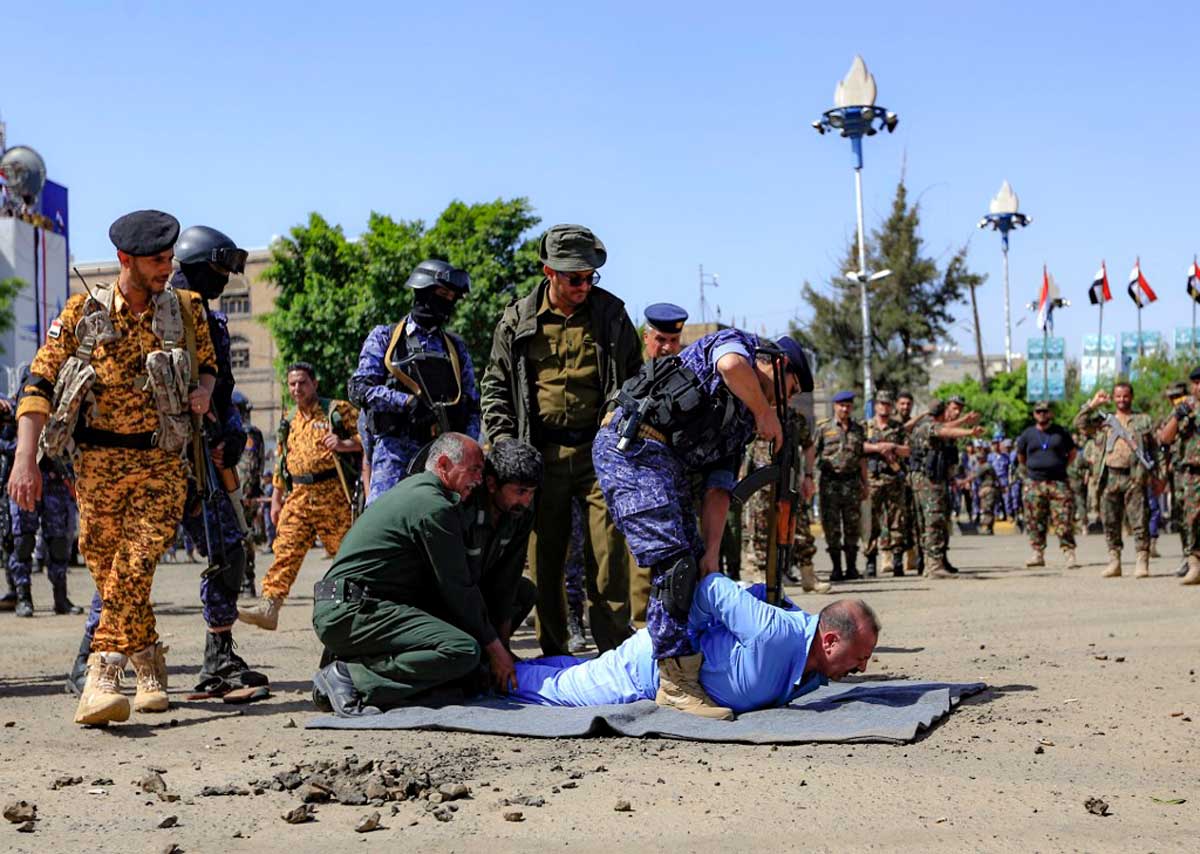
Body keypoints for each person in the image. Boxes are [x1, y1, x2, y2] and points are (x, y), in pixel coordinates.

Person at [10, 209, 218, 726]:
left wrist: (204, 391)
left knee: (139, 555)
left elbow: (210, 365)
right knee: (109, 566)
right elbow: (38, 382)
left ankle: (102, 671)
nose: (166, 268)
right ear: (125, 260)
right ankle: (149, 660)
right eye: (155, 260)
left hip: (161, 459)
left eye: (169, 258)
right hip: (98, 465)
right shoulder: (84, 311)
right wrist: (24, 459)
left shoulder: (187, 308)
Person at [593, 330, 811, 719]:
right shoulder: (736, 343)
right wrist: (765, 412)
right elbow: (729, 366)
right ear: (779, 366)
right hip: (632, 446)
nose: (786, 400)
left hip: (664, 461)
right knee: (674, 563)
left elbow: (718, 488)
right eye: (791, 388)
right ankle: (676, 683)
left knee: (692, 564)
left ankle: (684, 666)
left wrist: (711, 552)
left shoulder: (742, 424)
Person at [480, 224, 641, 657]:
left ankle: (613, 652)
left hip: (599, 454)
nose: (584, 286)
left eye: (591, 277)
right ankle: (555, 653)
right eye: (575, 278)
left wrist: (621, 416)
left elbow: (635, 379)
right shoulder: (517, 320)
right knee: (545, 560)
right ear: (549, 272)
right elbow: (494, 386)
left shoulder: (611, 316)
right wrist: (503, 445)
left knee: (608, 558)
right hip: (540, 455)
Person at [311, 435, 542, 715]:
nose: (479, 480)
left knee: (512, 603)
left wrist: (499, 650)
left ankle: (365, 665)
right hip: (352, 611)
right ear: (444, 464)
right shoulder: (435, 506)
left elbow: (500, 583)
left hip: (363, 606)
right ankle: (352, 676)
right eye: (474, 471)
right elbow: (458, 588)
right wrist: (494, 651)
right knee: (462, 651)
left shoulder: (430, 494)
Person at [513, 575, 879, 715]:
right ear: (830, 641)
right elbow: (712, 588)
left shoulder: (814, 662)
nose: (863, 668)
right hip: (646, 670)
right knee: (557, 693)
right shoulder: (775, 634)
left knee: (576, 674)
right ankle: (490, 672)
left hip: (653, 667)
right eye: (860, 657)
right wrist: (679, 653)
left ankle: (514, 665)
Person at [239, 363, 361, 629]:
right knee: (285, 550)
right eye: (292, 384)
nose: (297, 388)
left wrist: (343, 444)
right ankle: (269, 607)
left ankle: (356, 609)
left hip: (332, 495)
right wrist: (276, 498)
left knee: (346, 554)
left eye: (302, 383)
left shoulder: (335, 410)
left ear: (314, 384)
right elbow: (282, 458)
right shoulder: (289, 417)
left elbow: (370, 438)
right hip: (298, 495)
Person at [348, 259, 478, 505]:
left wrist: (467, 451)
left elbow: (472, 405)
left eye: (452, 296)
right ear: (422, 291)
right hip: (394, 451)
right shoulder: (386, 338)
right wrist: (406, 402)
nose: (447, 302)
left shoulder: (455, 348)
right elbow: (359, 389)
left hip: (443, 457)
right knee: (382, 523)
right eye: (442, 294)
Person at [743, 395, 828, 593]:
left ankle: (808, 575)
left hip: (789, 480)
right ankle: (762, 578)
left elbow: (808, 446)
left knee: (800, 528)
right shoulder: (755, 413)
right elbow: (745, 446)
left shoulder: (795, 417)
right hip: (760, 481)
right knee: (760, 530)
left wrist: (808, 475)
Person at [1074, 384, 1158, 578]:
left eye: (1125, 396)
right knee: (1110, 521)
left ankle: (1142, 560)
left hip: (1134, 476)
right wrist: (1093, 404)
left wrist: (1157, 476)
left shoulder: (1142, 420)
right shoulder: (1104, 420)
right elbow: (1079, 423)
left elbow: (1153, 448)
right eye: (1118, 396)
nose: (1122, 400)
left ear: (1132, 397)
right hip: (1109, 476)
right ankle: (1114, 561)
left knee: (1139, 520)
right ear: (1113, 398)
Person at [908, 396, 985, 579]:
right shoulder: (929, 426)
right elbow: (945, 432)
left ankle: (932, 563)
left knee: (935, 521)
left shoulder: (927, 424)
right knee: (933, 521)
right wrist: (970, 433)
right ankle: (934, 565)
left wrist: (965, 423)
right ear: (943, 413)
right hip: (928, 480)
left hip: (933, 479)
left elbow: (946, 429)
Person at [1014, 402, 1078, 568]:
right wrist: (1031, 471)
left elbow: (1072, 453)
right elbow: (1021, 456)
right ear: (1034, 414)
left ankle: (1069, 553)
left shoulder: (1061, 432)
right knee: (1035, 520)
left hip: (1058, 482)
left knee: (1063, 519)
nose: (1042, 414)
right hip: (1035, 482)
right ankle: (1037, 554)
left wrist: (1061, 466)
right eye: (1038, 412)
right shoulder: (1027, 434)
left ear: (1050, 413)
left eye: (1045, 411)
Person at [816, 391, 867, 581]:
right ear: (835, 406)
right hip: (830, 483)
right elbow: (814, 453)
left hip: (852, 482)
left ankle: (852, 568)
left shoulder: (858, 429)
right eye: (841, 405)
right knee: (832, 526)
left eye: (848, 405)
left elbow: (861, 457)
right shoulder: (823, 428)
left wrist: (865, 483)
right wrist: (811, 480)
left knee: (852, 526)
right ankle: (836, 568)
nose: (845, 409)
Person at [1156, 368, 1200, 585]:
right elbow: (1164, 438)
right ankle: (1193, 562)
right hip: (1191, 473)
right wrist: (1177, 416)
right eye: (1196, 383)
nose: (1199, 387)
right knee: (1189, 519)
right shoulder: (1186, 409)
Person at [862, 390, 910, 576]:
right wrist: (877, 447)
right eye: (881, 403)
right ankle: (871, 561)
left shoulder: (898, 428)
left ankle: (897, 560)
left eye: (888, 404)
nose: (885, 407)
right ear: (876, 406)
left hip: (893, 480)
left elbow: (908, 450)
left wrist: (894, 447)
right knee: (871, 522)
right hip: (873, 480)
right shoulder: (866, 426)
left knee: (897, 521)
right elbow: (859, 447)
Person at [234, 390, 265, 596]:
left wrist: (247, 493)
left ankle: (246, 581)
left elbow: (251, 467)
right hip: (232, 492)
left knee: (244, 537)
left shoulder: (248, 433)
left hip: (243, 494)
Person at [1158, 381, 1190, 576]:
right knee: (1182, 516)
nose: (1175, 400)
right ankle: (1188, 556)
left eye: (1178, 396)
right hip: (1178, 473)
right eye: (1171, 397)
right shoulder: (1173, 416)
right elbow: (1164, 441)